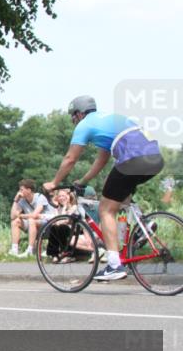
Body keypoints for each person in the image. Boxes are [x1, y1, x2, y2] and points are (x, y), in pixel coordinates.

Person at [44, 95, 165, 282]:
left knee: (105, 209)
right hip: (154, 158)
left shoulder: (85, 125)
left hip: (132, 158)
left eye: (73, 116)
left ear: (80, 113)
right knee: (118, 195)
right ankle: (144, 225)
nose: (72, 121)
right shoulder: (109, 120)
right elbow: (102, 159)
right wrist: (83, 181)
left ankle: (114, 264)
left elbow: (70, 159)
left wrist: (54, 182)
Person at [9, 179, 56, 257]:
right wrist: (15, 200)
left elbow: (35, 215)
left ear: (29, 190)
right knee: (15, 222)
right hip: (33, 225)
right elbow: (13, 216)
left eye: (21, 189)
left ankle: (30, 250)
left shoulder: (40, 197)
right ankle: (14, 250)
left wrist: (21, 216)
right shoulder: (22, 200)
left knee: (31, 220)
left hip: (47, 225)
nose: (19, 192)